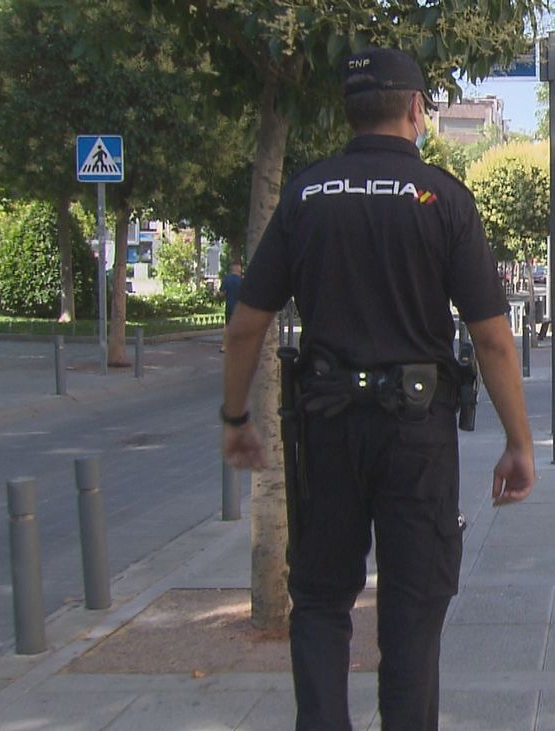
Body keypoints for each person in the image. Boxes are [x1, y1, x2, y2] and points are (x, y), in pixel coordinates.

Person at [220, 47, 536, 731]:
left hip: (325, 425)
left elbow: (247, 325)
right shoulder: (442, 198)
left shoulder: (305, 193)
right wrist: (518, 440)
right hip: (416, 433)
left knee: (322, 600)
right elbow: (491, 338)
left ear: (349, 112)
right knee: (414, 610)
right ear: (417, 110)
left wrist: (236, 414)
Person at [218, 261, 242, 353]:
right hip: (239, 307)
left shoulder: (226, 280)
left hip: (229, 306)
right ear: (238, 269)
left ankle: (224, 346)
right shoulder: (242, 280)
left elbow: (221, 293)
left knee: (227, 326)